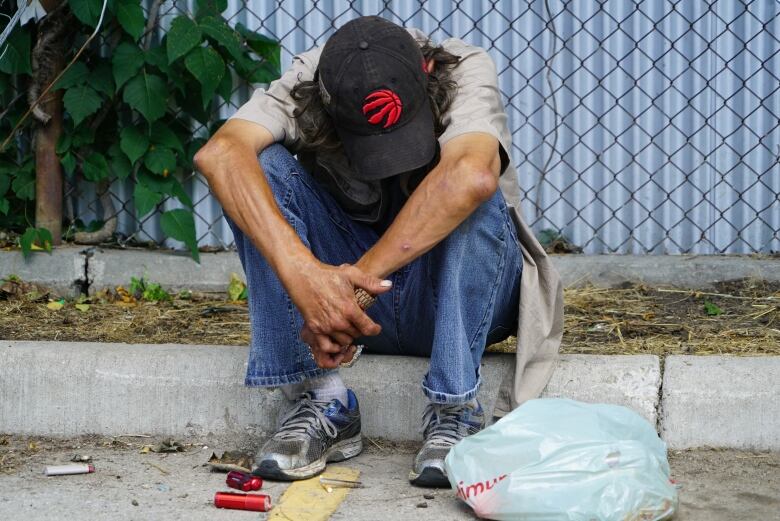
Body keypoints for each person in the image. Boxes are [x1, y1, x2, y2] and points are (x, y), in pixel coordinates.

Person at [194, 15, 563, 488]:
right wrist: (305, 276)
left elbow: (470, 176)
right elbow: (220, 155)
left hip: (452, 305)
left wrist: (348, 290)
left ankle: (455, 411)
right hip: (346, 320)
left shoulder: (461, 66)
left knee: (476, 183)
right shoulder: (311, 77)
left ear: (424, 73)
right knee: (257, 167)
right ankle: (322, 401)